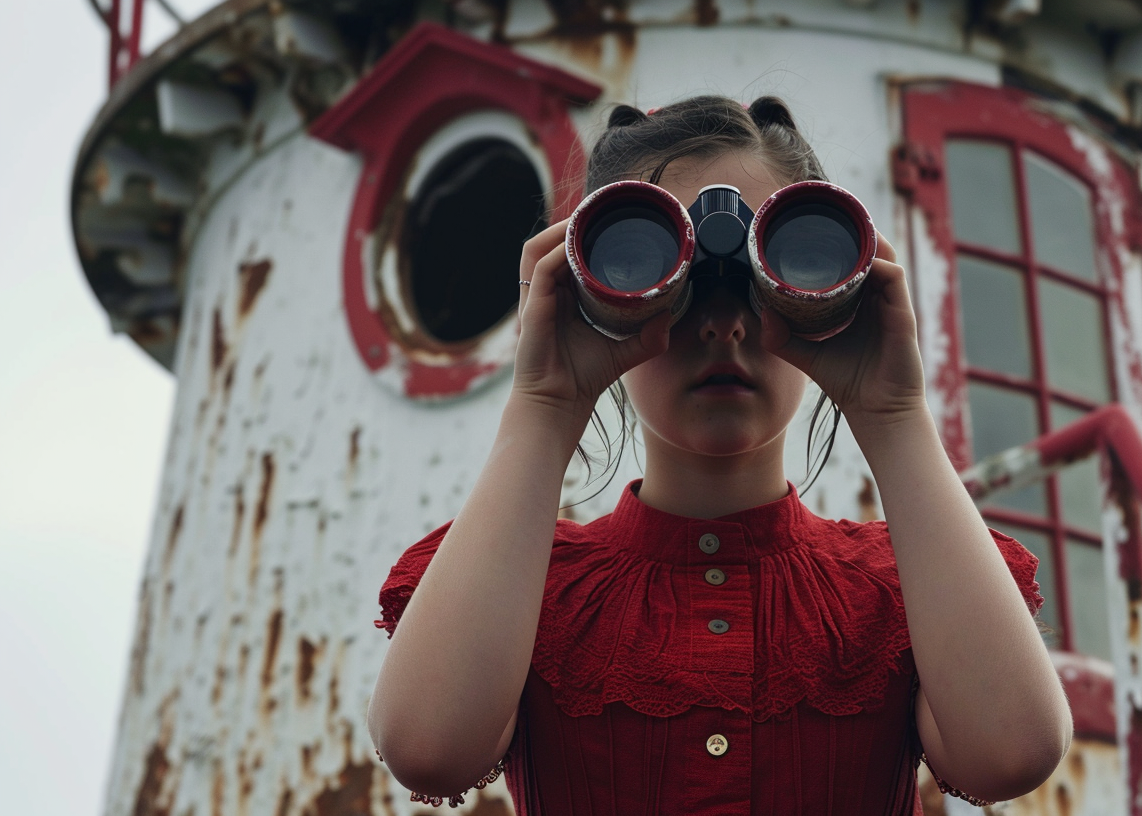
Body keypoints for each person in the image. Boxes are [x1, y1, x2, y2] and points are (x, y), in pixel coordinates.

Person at [367, 95, 1072, 814]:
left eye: (766, 283)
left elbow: (1010, 752)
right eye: (666, 278)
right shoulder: (528, 593)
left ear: (837, 289)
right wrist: (544, 405)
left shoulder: (894, 593)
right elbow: (429, 749)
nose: (724, 324)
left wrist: (893, 413)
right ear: (585, 294)